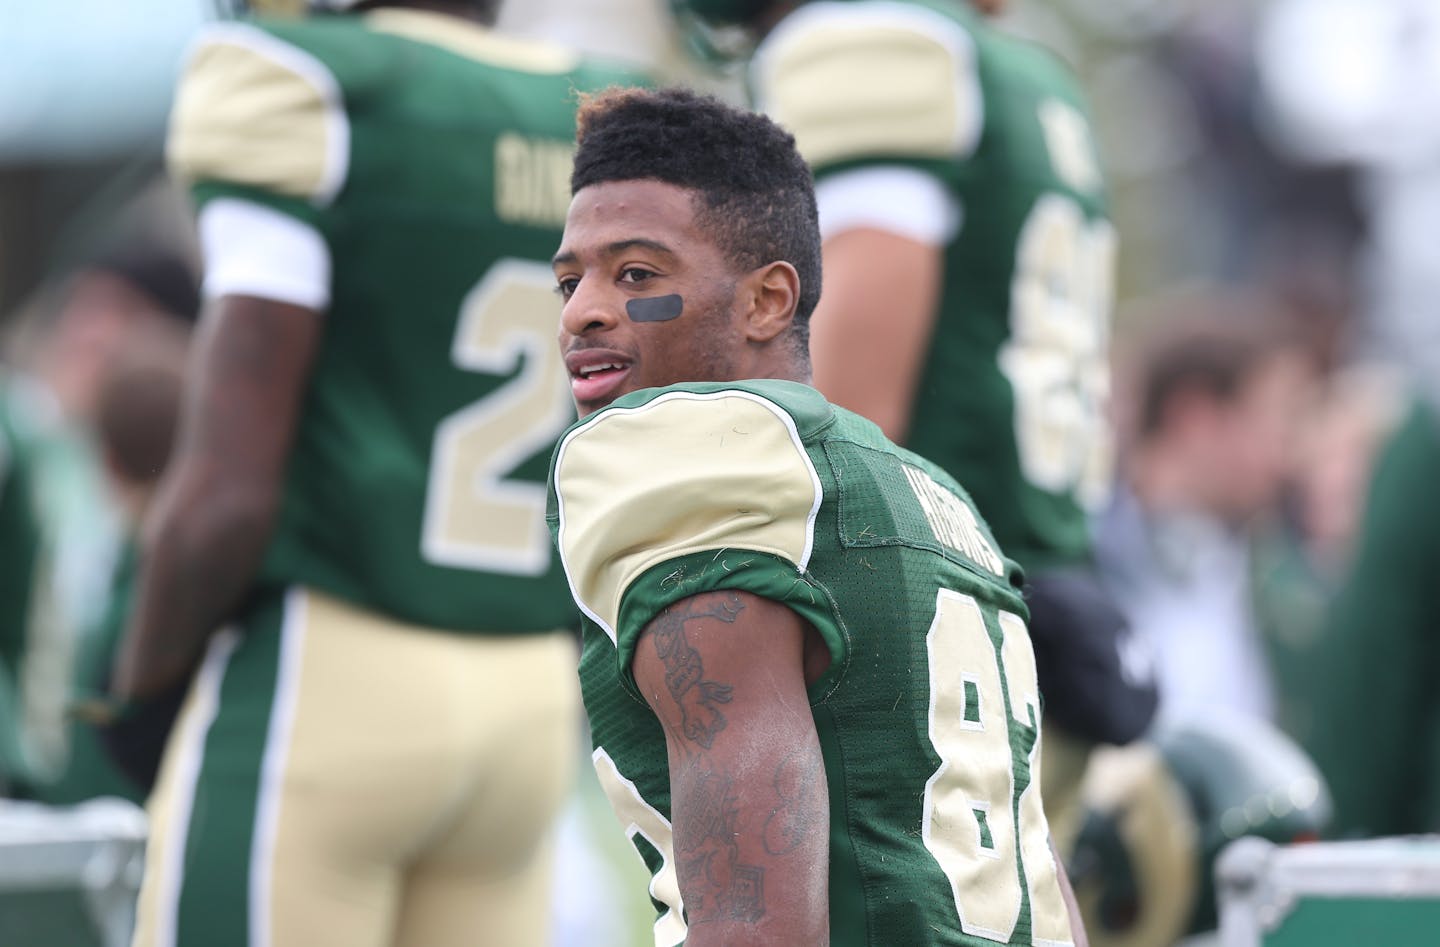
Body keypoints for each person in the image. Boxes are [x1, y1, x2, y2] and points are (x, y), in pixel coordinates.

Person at [106, 3, 645, 946]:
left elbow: (227, 486)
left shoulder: (312, 86)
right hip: (526, 692)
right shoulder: (591, 114)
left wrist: (132, 691)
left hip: (329, 667)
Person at [547, 85, 1086, 947]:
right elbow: (1043, 881)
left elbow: (759, 927)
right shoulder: (936, 497)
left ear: (766, 301)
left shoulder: (702, 458)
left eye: (637, 274)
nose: (583, 311)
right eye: (570, 279)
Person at [670, 0, 1157, 848]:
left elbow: (843, 410)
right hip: (1022, 616)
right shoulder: (1023, 72)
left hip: (923, 650)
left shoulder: (872, 41)